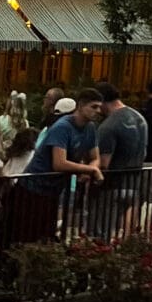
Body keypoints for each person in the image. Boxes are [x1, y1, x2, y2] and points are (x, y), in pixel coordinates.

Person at [14, 95, 102, 240]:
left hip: (53, 190)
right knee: (26, 235)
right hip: (33, 187)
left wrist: (90, 169)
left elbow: (94, 157)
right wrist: (90, 170)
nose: (98, 111)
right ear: (80, 106)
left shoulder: (90, 128)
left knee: (46, 236)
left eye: (99, 107)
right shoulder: (62, 127)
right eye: (93, 106)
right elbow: (59, 163)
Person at [93, 83, 149, 235]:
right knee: (125, 232)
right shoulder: (140, 119)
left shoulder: (108, 126)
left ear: (103, 101)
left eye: (97, 105)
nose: (97, 110)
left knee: (103, 231)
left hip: (112, 185)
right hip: (135, 181)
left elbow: (104, 163)